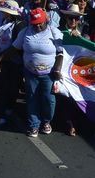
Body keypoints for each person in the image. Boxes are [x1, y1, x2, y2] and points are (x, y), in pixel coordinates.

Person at [6, 7, 65, 137]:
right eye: (35, 24)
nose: (38, 26)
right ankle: (34, 125)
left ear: (46, 21)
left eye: (41, 23)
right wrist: (0, 58)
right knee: (32, 99)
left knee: (49, 101)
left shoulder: (54, 32)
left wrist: (57, 68)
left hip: (49, 74)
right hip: (30, 72)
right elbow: (14, 48)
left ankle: (46, 121)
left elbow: (61, 53)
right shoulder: (25, 32)